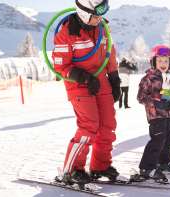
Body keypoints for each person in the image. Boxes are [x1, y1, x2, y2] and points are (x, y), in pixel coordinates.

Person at [52, 0, 122, 184]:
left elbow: (110, 53)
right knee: (89, 125)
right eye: (96, 15)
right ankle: (72, 169)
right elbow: (60, 66)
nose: (100, 18)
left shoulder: (103, 28)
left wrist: (114, 79)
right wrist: (83, 77)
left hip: (101, 81)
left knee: (107, 125)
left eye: (101, 14)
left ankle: (100, 165)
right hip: (78, 83)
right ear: (84, 13)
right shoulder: (67, 33)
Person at [134, 45, 170, 182]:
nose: (163, 64)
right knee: (158, 139)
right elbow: (141, 96)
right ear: (153, 62)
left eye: (166, 61)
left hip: (168, 114)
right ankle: (147, 167)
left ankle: (163, 162)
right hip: (155, 115)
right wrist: (155, 102)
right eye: (160, 61)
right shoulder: (149, 79)